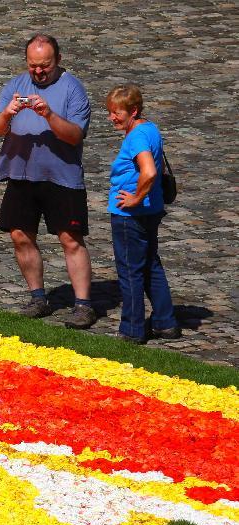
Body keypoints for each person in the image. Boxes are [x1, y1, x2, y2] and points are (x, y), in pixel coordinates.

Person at [0, 33, 96, 329]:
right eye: (33, 65)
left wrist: (49, 115)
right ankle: (38, 298)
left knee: (70, 239)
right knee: (20, 236)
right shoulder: (15, 85)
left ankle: (83, 304)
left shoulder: (72, 89)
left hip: (61, 177)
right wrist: (7, 114)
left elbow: (75, 135)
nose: (38, 71)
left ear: (58, 60)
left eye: (44, 65)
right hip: (21, 174)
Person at [105, 84, 181, 344]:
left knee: (130, 271)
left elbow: (148, 172)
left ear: (133, 111)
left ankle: (132, 329)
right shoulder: (150, 128)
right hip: (152, 209)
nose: (112, 118)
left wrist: (135, 197)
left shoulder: (136, 136)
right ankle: (165, 322)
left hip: (131, 214)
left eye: (117, 113)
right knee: (151, 266)